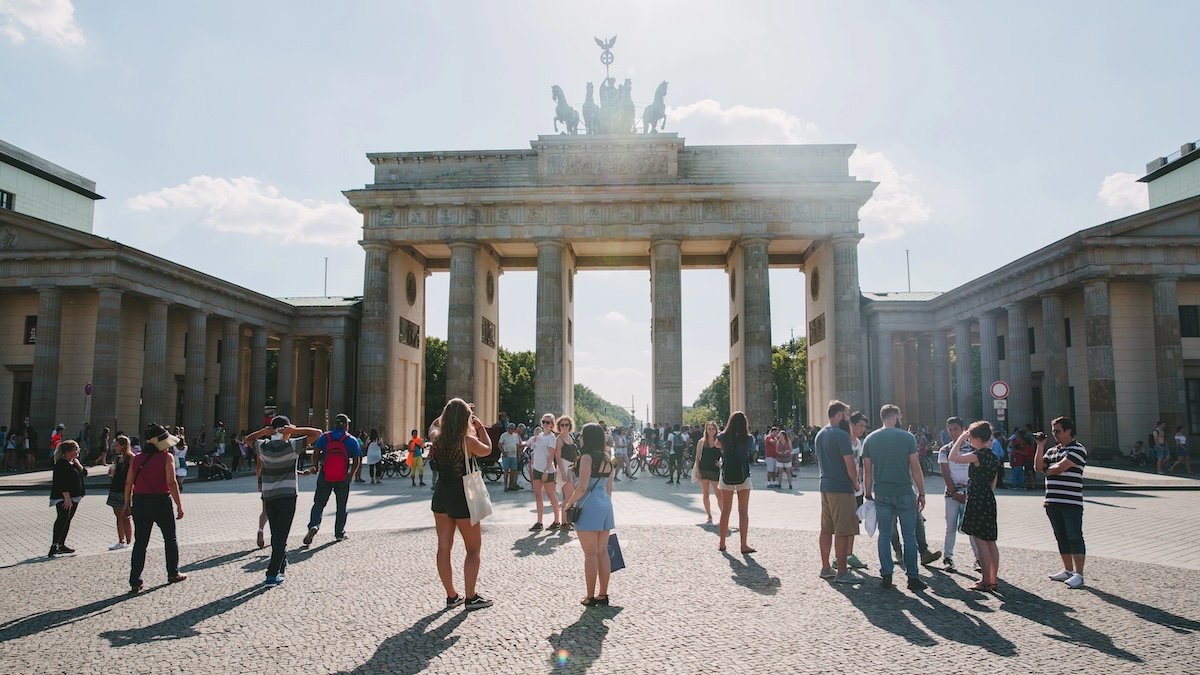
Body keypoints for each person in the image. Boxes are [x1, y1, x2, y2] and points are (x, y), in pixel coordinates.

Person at [428, 397, 494, 610]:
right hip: (463, 495)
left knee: (444, 548)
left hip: (441, 494)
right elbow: (488, 449)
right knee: (473, 549)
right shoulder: (468, 441)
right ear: (466, 419)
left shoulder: (437, 438)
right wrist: (480, 426)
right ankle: (471, 596)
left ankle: (451, 595)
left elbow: (433, 426)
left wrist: (449, 411)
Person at [246, 416, 321, 586]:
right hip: (287, 496)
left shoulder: (263, 447)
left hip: (270, 496)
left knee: (276, 533)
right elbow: (317, 433)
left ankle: (280, 564)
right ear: (286, 429)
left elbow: (248, 439)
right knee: (282, 535)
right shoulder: (292, 446)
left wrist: (264, 432)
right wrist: (294, 431)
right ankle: (271, 574)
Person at [863, 404, 927, 592]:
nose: (901, 418)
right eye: (899, 415)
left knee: (884, 535)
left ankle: (886, 574)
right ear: (893, 417)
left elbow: (867, 471)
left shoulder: (870, 439)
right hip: (904, 491)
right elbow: (915, 468)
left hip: (882, 493)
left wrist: (868, 493)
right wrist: (921, 492)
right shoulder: (907, 438)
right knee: (909, 536)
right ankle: (913, 577)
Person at [125, 424, 187, 593]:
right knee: (169, 538)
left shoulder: (137, 458)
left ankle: (135, 580)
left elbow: (129, 482)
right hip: (160, 502)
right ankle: (173, 573)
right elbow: (171, 482)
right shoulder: (166, 458)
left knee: (140, 543)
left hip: (140, 502)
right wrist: (179, 505)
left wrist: (126, 504)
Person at [562, 423, 615, 606]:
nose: (580, 438)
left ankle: (590, 596)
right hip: (605, 504)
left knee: (590, 554)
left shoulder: (586, 457)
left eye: (582, 435)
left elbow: (582, 486)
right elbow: (609, 489)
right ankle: (603, 594)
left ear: (587, 437)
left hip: (589, 505)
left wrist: (569, 503)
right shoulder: (608, 458)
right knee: (602, 553)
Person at [1035, 416, 1088, 589]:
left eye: (1057, 431)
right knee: (1061, 537)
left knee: (1074, 536)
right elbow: (1037, 467)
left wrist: (1046, 469)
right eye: (1053, 431)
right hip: (1052, 500)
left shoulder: (1078, 449)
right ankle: (1067, 569)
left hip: (1071, 501)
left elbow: (1058, 469)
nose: (1055, 435)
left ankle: (1079, 574)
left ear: (1068, 431)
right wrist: (1040, 446)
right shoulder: (1051, 451)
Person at [949, 421, 1001, 592]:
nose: (969, 438)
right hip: (988, 498)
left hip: (977, 498)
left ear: (977, 438)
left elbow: (952, 457)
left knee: (979, 540)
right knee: (990, 541)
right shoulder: (993, 456)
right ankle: (993, 579)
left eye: (970, 436)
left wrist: (961, 439)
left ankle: (985, 580)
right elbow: (993, 482)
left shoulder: (977, 455)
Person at [815, 401, 860, 584]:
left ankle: (826, 567)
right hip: (841, 487)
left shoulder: (820, 434)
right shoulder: (842, 435)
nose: (848, 419)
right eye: (847, 415)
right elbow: (850, 464)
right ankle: (842, 572)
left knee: (826, 529)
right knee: (842, 531)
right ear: (839, 415)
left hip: (825, 485)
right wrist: (856, 484)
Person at [303, 413, 362, 545]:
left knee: (319, 503)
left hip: (325, 474)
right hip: (342, 476)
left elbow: (316, 453)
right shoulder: (351, 440)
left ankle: (314, 525)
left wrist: (316, 467)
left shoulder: (325, 437)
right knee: (341, 506)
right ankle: (339, 533)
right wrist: (351, 474)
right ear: (347, 426)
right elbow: (357, 459)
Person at [938, 417, 979, 573]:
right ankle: (948, 556)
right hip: (952, 493)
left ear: (963, 429)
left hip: (970, 493)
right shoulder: (945, 450)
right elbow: (945, 474)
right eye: (950, 429)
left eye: (955, 429)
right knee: (950, 526)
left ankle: (978, 558)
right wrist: (954, 492)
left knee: (972, 527)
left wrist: (968, 493)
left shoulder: (972, 449)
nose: (952, 432)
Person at [715, 411, 755, 554]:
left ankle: (722, 543)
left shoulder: (723, 437)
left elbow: (716, 444)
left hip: (726, 475)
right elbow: (751, 448)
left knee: (726, 511)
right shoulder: (748, 438)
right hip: (743, 475)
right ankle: (743, 544)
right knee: (743, 512)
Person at [48, 440, 86, 556]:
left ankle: (61, 544)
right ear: (67, 451)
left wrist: (78, 465)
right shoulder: (61, 464)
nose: (77, 451)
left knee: (67, 519)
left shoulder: (73, 463)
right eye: (76, 449)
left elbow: (84, 473)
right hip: (64, 497)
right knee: (62, 518)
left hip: (74, 496)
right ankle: (54, 545)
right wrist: (67, 497)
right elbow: (61, 482)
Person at [528, 413, 561, 531]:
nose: (545, 424)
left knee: (551, 496)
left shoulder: (552, 438)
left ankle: (557, 520)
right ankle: (539, 521)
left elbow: (551, 456)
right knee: (538, 496)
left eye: (547, 422)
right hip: (536, 468)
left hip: (547, 470)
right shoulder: (540, 435)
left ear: (552, 425)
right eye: (543, 422)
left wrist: (546, 470)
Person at [106, 435, 134, 550]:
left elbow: (132, 475)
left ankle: (129, 541)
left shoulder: (131, 458)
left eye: (117, 445)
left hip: (125, 489)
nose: (115, 447)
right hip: (116, 487)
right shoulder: (118, 458)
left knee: (125, 515)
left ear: (123, 446)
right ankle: (121, 541)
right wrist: (112, 474)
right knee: (118, 514)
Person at [691, 420, 722, 524]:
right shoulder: (701, 442)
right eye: (709, 429)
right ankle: (709, 516)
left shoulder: (719, 442)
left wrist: (722, 463)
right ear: (706, 430)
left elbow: (725, 454)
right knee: (706, 494)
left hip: (715, 470)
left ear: (716, 430)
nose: (711, 431)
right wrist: (698, 471)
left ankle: (723, 515)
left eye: (713, 429)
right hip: (704, 469)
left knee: (719, 494)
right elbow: (697, 457)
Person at [499, 423, 521, 491]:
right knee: (506, 470)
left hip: (514, 456)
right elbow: (499, 444)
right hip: (506, 456)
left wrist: (518, 455)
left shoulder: (515, 436)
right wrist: (503, 452)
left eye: (512, 428)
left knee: (513, 471)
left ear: (514, 429)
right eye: (509, 428)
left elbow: (517, 446)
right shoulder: (504, 435)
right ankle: (505, 486)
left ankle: (511, 485)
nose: (510, 430)